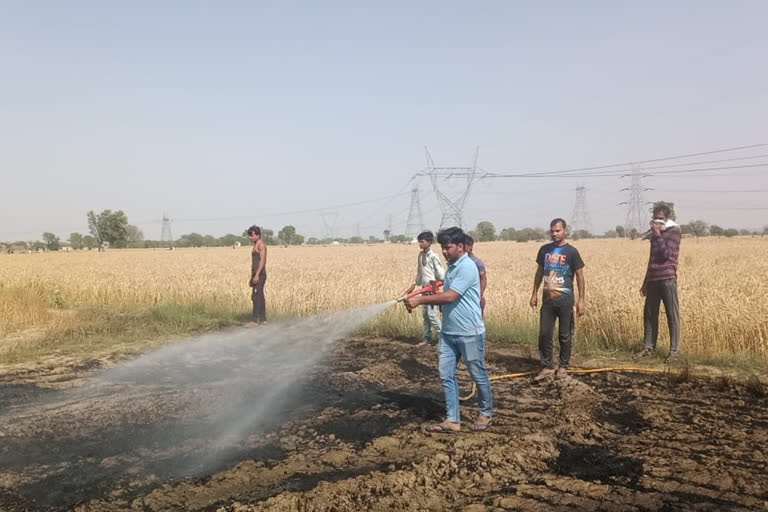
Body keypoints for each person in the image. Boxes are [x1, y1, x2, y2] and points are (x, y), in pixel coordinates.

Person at [405, 226, 493, 433]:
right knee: (446, 375)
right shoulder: (452, 267)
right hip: (449, 333)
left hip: (470, 332)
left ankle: (485, 413)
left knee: (477, 373)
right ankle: (453, 420)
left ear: (461, 247)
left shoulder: (467, 267)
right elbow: (446, 295)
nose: (444, 252)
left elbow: (451, 296)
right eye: (443, 248)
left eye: (448, 247)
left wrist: (421, 299)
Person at [530, 218, 586, 381]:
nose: (555, 234)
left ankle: (563, 366)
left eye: (558, 231)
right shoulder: (544, 250)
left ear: (565, 231)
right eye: (552, 231)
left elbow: (580, 276)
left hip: (565, 301)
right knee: (545, 334)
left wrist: (581, 300)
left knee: (565, 334)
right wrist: (534, 293)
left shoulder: (571, 252)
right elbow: (539, 272)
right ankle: (547, 366)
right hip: (548, 301)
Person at [635, 204, 682, 362]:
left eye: (661, 219)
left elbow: (666, 254)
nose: (657, 221)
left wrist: (658, 235)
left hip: (667, 278)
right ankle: (648, 347)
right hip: (653, 279)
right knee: (649, 314)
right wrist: (645, 282)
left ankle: (674, 351)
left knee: (672, 315)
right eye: (655, 218)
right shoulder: (654, 235)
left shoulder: (674, 232)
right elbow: (652, 259)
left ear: (667, 218)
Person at [401, 231, 445, 346]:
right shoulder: (421, 255)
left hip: (432, 291)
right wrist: (412, 287)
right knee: (426, 316)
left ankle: (443, 339)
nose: (420, 244)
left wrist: (434, 288)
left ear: (429, 242)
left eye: (422, 241)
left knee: (432, 315)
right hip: (424, 290)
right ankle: (427, 339)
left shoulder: (434, 257)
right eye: (419, 241)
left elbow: (441, 275)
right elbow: (419, 274)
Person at [245, 225, 267, 327]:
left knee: (256, 296)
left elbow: (262, 261)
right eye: (249, 235)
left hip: (260, 274)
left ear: (258, 235)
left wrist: (257, 275)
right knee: (259, 296)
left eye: (252, 235)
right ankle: (263, 320)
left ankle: (255, 320)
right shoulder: (255, 245)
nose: (250, 237)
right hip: (256, 274)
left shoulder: (261, 245)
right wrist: (252, 276)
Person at [464, 235, 487, 315]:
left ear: (470, 247)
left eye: (464, 246)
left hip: (476, 297)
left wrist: (479, 295)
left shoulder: (477, 262)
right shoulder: (458, 263)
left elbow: (483, 279)